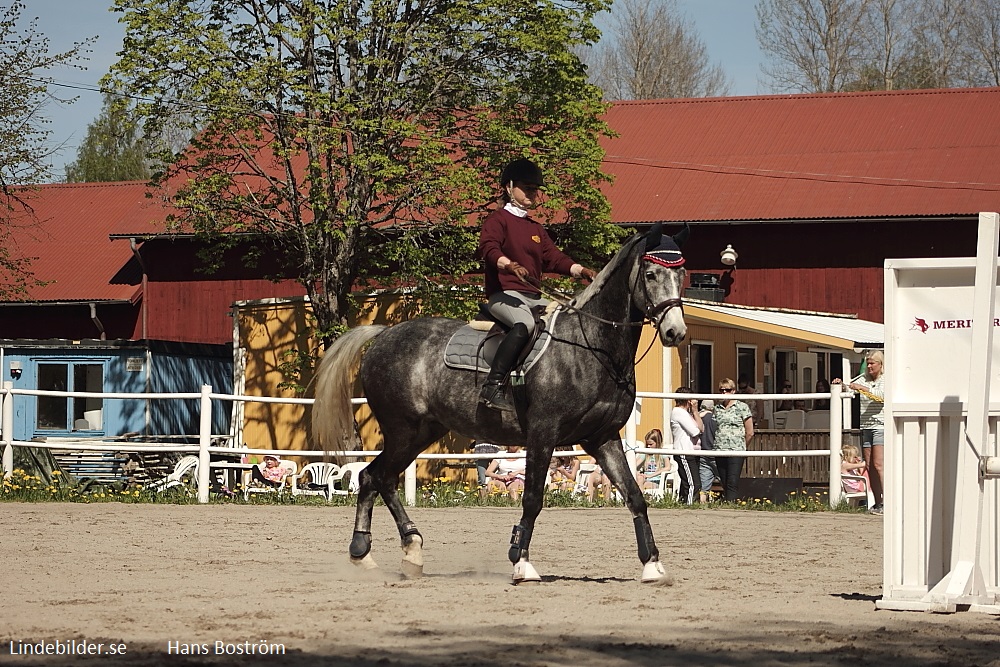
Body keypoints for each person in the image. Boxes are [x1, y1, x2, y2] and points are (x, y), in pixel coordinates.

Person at [475, 158, 596, 411]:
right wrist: (509, 265)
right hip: (504, 295)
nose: (532, 193)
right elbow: (489, 249)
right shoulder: (497, 220)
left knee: (566, 322)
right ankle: (493, 385)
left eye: (535, 189)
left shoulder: (535, 228)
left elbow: (554, 258)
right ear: (509, 188)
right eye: (526, 187)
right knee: (525, 325)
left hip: (534, 297)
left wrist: (580, 270)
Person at [835, 350, 885, 515]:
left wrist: (863, 389)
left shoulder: (885, 380)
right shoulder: (863, 378)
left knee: (879, 465)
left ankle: (887, 501)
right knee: (869, 466)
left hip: (880, 426)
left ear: (880, 364)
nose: (869, 366)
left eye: (872, 363)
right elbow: (851, 386)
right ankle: (878, 502)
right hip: (866, 426)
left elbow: (881, 397)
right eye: (868, 363)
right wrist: (840, 384)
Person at [714, 378, 754, 502]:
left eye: (727, 390)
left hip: (736, 449)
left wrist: (743, 445)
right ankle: (727, 501)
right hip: (719, 448)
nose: (724, 393)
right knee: (724, 480)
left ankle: (731, 505)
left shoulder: (742, 407)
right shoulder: (717, 408)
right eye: (721, 390)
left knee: (732, 480)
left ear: (734, 391)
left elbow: (750, 432)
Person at [670, 388, 703, 504]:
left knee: (687, 482)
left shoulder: (687, 414)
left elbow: (701, 428)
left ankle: (683, 503)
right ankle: (689, 505)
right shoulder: (679, 412)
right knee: (693, 483)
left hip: (691, 451)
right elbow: (695, 431)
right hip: (684, 451)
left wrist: (695, 412)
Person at [698, 399, 719, 503]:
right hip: (715, 453)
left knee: (704, 487)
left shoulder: (696, 418)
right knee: (726, 482)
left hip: (703, 454)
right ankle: (729, 503)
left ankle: (702, 505)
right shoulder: (714, 419)